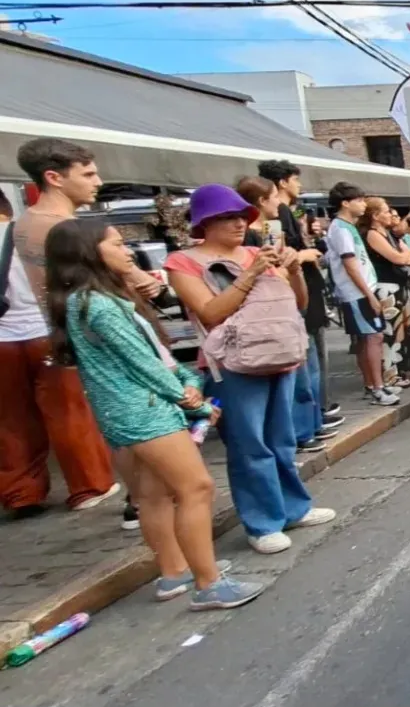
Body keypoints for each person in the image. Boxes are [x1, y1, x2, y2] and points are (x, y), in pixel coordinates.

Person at [45, 219, 264, 609]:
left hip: (129, 410)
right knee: (196, 488)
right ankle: (209, 583)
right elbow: (143, 363)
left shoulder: (89, 300)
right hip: (144, 411)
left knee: (154, 495)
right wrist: (190, 400)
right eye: (116, 245)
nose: (127, 251)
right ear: (89, 253)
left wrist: (185, 383)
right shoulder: (98, 304)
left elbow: (152, 358)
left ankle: (175, 571)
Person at [165, 183, 336, 554]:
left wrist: (293, 270)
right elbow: (209, 312)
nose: (238, 224)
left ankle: (292, 508)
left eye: (242, 216)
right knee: (248, 444)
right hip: (231, 365)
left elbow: (298, 303)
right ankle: (262, 523)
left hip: (279, 354)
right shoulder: (182, 262)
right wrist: (250, 274)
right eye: (227, 217)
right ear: (205, 222)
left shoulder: (259, 252)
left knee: (282, 439)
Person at [2, 138, 120, 517]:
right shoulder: (50, 229)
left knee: (12, 420)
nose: (96, 181)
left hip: (3, 339)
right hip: (47, 331)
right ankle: (89, 486)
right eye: (88, 173)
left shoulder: (24, 228)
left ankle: (21, 493)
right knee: (70, 413)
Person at [236, 175, 336, 452]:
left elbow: (283, 265)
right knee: (296, 375)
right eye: (273, 198)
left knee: (308, 369)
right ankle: (298, 433)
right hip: (270, 313)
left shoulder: (273, 228)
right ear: (261, 201)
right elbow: (271, 272)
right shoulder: (247, 238)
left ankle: (311, 423)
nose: (278, 203)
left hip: (293, 303)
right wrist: (300, 258)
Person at [257, 160, 342, 428]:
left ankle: (315, 415)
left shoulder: (285, 214)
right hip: (298, 295)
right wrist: (303, 255)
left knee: (312, 357)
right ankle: (310, 419)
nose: (299, 185)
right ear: (282, 183)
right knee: (308, 360)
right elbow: (277, 258)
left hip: (305, 289)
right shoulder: (277, 217)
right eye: (295, 179)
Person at [325, 182, 400, 406]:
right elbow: (350, 266)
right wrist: (370, 295)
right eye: (358, 200)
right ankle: (377, 388)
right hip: (356, 292)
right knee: (373, 338)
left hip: (362, 290)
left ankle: (373, 384)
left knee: (368, 339)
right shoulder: (340, 229)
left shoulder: (348, 227)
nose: (363, 204)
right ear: (345, 203)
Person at [360, 197, 410, 388]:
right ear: (375, 215)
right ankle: (389, 374)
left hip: (398, 284)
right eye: (386, 211)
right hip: (385, 287)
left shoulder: (388, 234)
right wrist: (405, 257)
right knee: (390, 332)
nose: (390, 215)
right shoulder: (372, 234)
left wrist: (405, 256)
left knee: (402, 330)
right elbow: (399, 258)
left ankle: (401, 369)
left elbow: (409, 254)